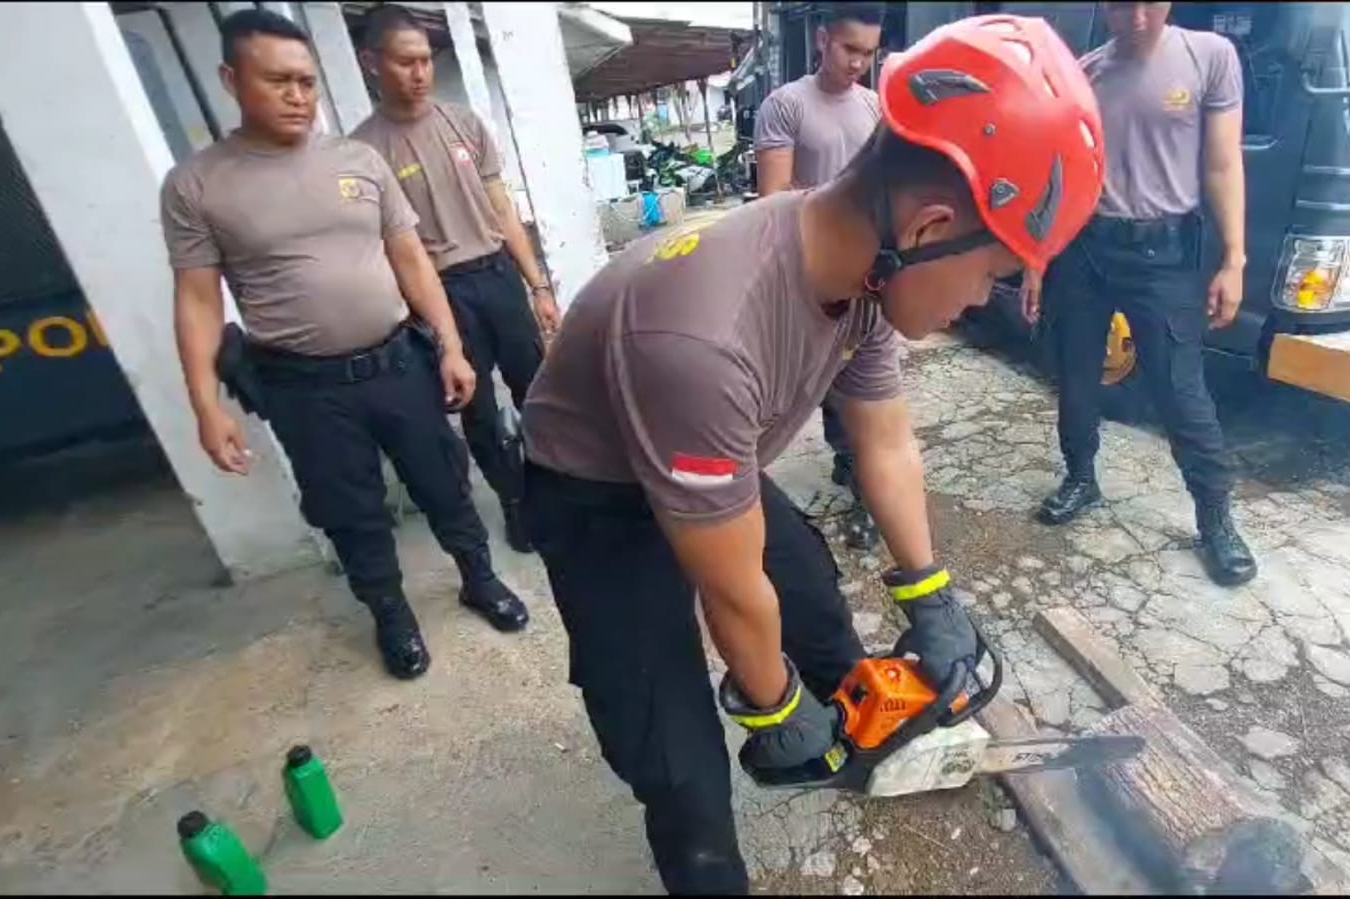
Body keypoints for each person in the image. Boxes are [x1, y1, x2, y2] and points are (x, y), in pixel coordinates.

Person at [522, 14, 1104, 894]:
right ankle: (710, 860)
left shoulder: (862, 273)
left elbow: (883, 439)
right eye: (990, 274)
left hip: (708, 447)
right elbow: (727, 586)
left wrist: (929, 591)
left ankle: (854, 730)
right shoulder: (703, 334)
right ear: (930, 223)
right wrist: (771, 704)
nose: (982, 301)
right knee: (671, 741)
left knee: (807, 587)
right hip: (597, 489)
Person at [161, 9, 529, 682]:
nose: (298, 95)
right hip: (304, 386)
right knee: (350, 511)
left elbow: (410, 258)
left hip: (398, 362)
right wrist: (205, 405)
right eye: (277, 81)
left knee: (444, 482)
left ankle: (479, 579)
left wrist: (449, 344)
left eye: (305, 81)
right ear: (230, 79)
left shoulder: (358, 161)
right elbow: (196, 299)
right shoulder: (198, 185)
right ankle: (392, 615)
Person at [1026, 0, 1258, 586]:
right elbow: (1060, 174)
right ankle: (1081, 477)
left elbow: (1223, 164)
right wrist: (1036, 259)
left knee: (1180, 391)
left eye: (1148, 2)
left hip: (1165, 256)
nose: (1136, 16)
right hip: (1084, 250)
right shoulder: (1085, 73)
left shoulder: (1209, 57)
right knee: (1075, 376)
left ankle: (1215, 520)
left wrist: (1234, 258)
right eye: (1121, 4)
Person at [350, 4, 560, 554]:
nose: (419, 73)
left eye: (424, 61)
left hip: (497, 277)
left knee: (538, 391)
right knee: (478, 409)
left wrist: (537, 286)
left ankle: (558, 488)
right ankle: (515, 502)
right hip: (440, 293)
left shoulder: (463, 124)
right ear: (371, 63)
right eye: (404, 62)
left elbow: (503, 209)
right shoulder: (364, 152)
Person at [753, 3, 885, 550]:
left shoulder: (876, 107)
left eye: (868, 54)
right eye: (849, 49)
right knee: (817, 382)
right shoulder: (785, 106)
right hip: (812, 274)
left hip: (871, 273)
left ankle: (864, 491)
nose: (858, 63)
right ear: (823, 39)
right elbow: (774, 205)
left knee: (864, 388)